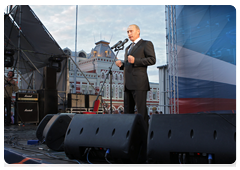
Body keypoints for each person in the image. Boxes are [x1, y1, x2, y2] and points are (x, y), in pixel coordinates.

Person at [115, 24, 156, 126]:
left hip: (139, 84)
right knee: (128, 114)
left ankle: (144, 137)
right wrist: (121, 65)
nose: (129, 34)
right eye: (128, 32)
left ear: (138, 31)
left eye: (131, 31)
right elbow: (129, 64)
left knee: (141, 112)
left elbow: (152, 60)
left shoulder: (146, 44)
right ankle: (130, 137)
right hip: (127, 84)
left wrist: (136, 60)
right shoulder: (127, 48)